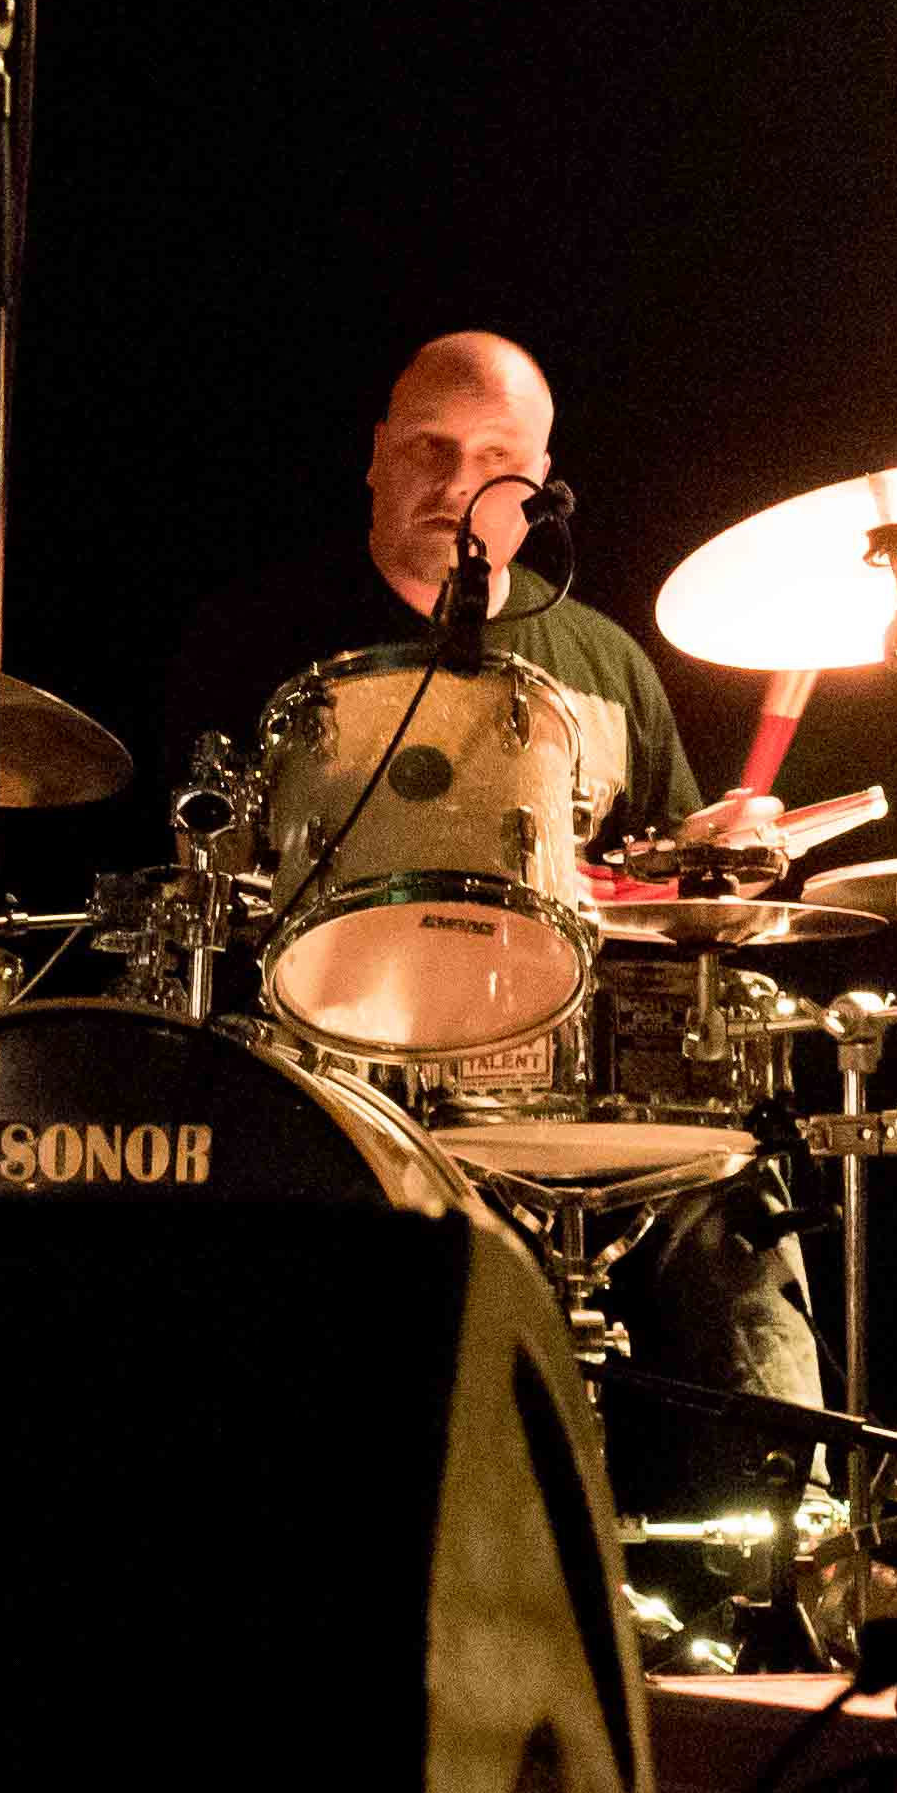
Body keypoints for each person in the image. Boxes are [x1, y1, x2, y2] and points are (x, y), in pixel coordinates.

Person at [160, 333, 822, 1656]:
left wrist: (714, 856)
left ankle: (768, 1593)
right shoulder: (263, 639)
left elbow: (667, 892)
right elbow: (198, 882)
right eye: (430, 448)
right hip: (342, 1073)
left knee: (737, 1185)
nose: (460, 483)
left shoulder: (605, 663)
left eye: (497, 461)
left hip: (569, 1074)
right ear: (373, 459)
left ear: (543, 483)